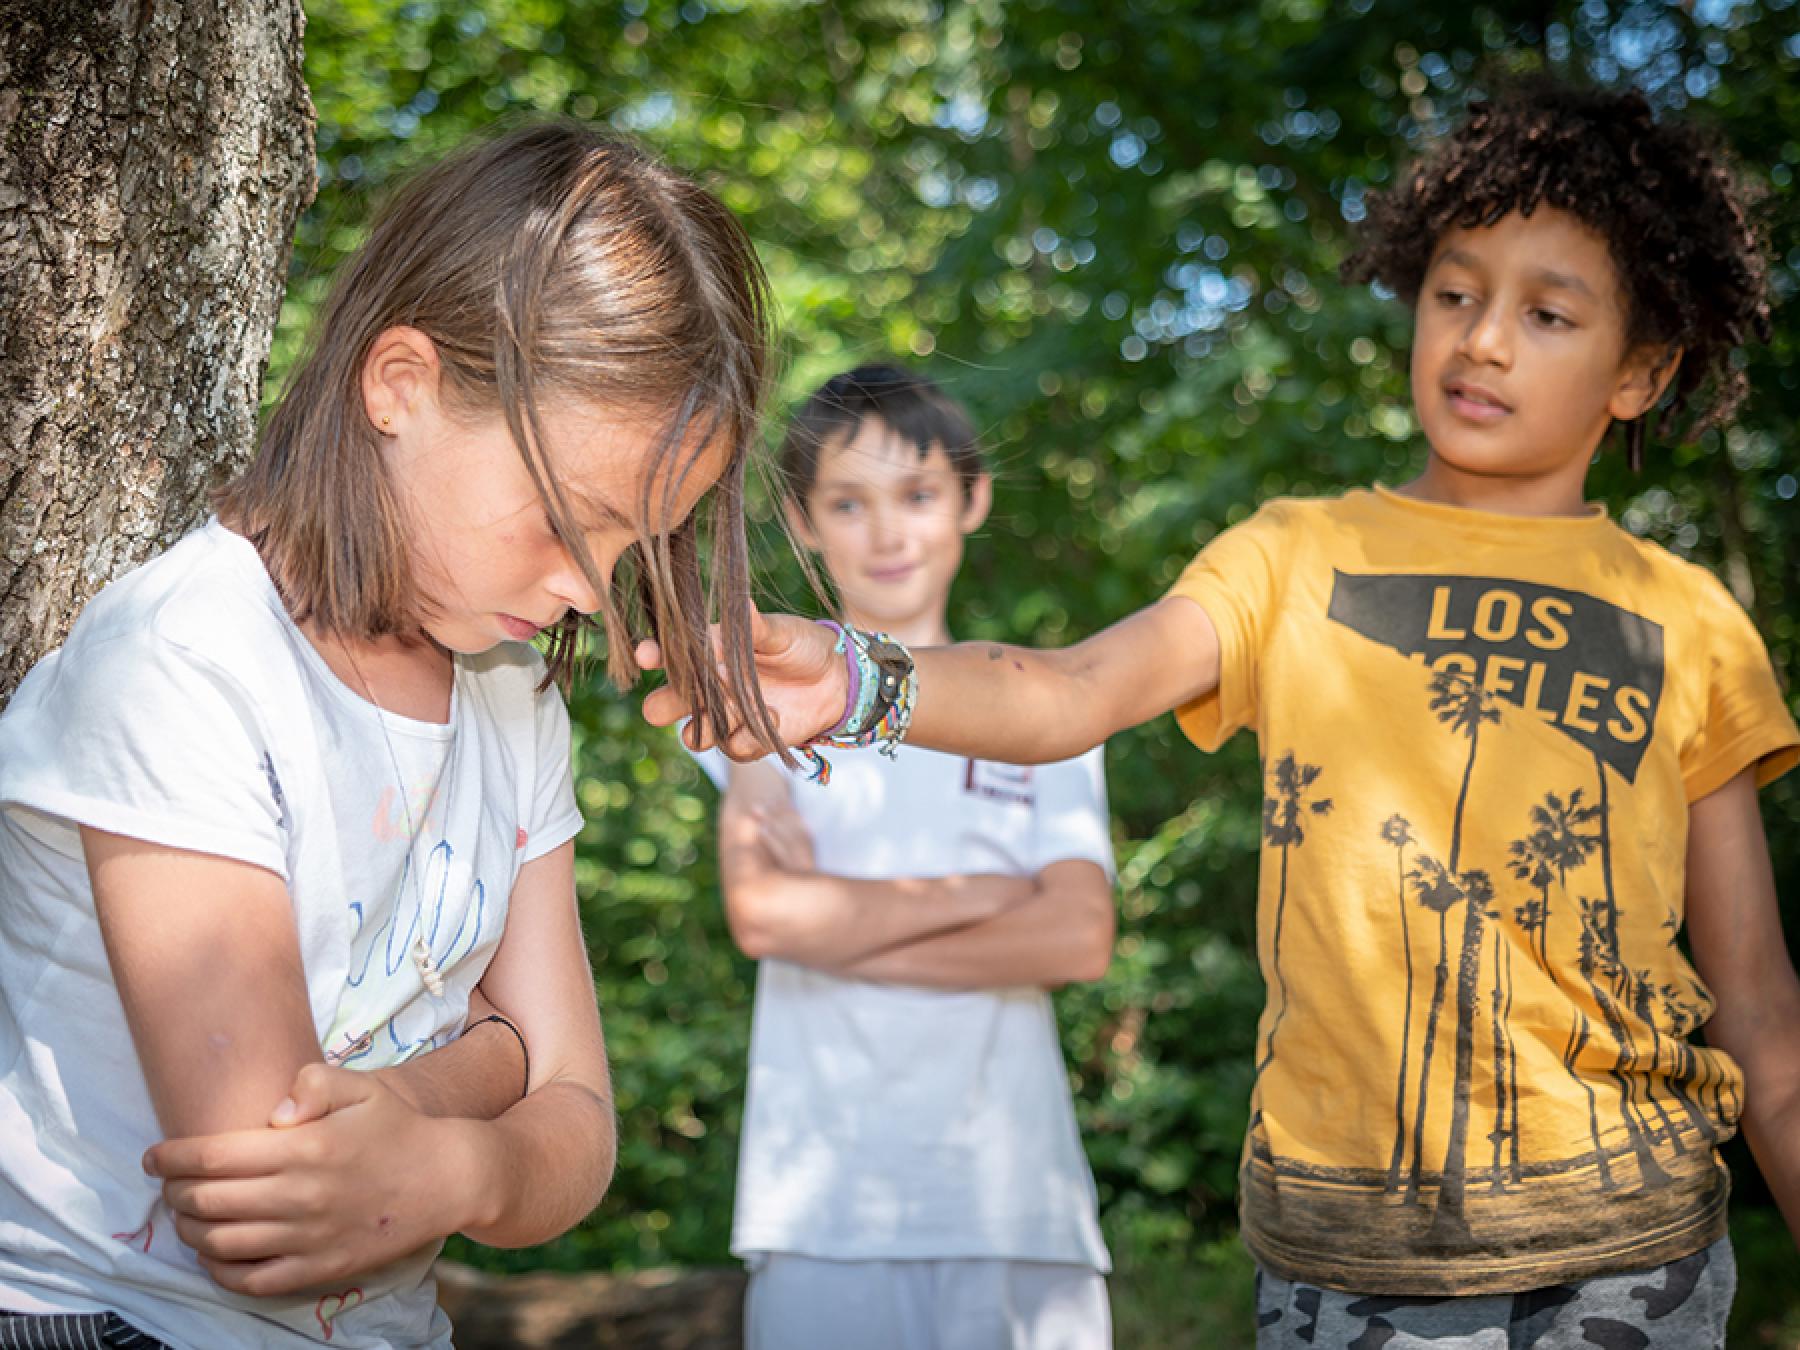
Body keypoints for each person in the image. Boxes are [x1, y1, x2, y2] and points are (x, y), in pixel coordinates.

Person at [650, 80, 1800, 1346]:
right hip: (1338, 1257)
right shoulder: (1292, 556)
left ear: (1641, 369)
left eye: (1547, 313)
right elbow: (1068, 692)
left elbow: (1761, 1017)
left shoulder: (1689, 619)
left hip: (1629, 1252)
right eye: (1456, 294)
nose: (1480, 342)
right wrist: (862, 679)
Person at [0, 122, 782, 1348]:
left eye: (637, 545)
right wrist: (481, 1066)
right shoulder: (186, 665)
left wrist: (457, 1169)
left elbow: (580, 1118)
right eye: (569, 521)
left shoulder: (511, 694)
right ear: (400, 385)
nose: (590, 588)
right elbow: (271, 1204)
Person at [696, 365, 1118, 1350]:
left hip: (1018, 1208)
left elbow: (1078, 936)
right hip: (821, 1213)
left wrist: (839, 927)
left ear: (971, 499)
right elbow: (765, 918)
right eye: (849, 502)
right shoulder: (765, 712)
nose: (887, 534)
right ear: (802, 519)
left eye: (918, 496)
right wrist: (980, 895)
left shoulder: (1041, 707)